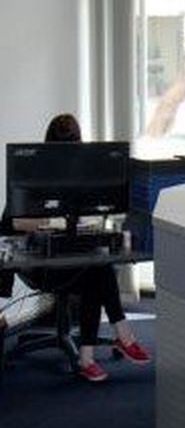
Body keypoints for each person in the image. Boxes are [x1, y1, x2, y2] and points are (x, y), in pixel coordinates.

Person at [0, 113, 150, 382]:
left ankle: (87, 358)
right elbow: (13, 221)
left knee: (97, 269)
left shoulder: (80, 173)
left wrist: (85, 218)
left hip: (74, 256)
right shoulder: (31, 172)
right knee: (98, 271)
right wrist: (50, 220)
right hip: (41, 266)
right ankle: (119, 337)